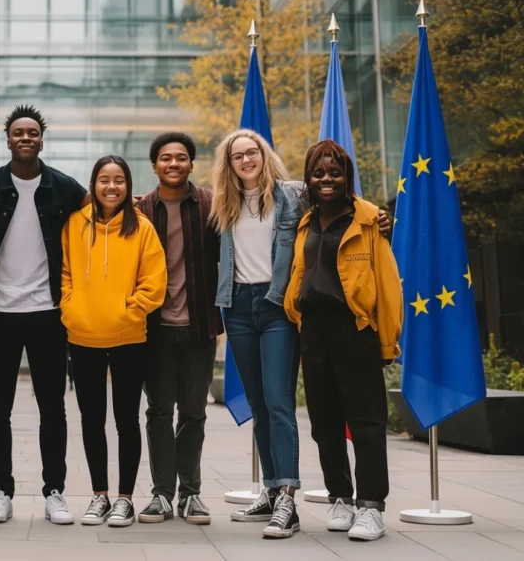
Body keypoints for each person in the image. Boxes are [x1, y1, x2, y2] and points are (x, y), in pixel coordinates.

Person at [213, 129, 391, 539]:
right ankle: (274, 489)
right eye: (237, 155)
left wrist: (380, 216)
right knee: (260, 404)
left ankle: (290, 499)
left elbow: (343, 199)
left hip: (279, 304)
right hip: (237, 307)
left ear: (264, 154)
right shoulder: (220, 202)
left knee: (278, 401)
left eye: (251, 152)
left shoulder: (295, 194)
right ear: (229, 163)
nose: (245, 160)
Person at [0, 105, 90, 525]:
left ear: (41, 138)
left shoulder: (66, 189)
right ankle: (2, 489)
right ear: (8, 138)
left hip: (49, 313)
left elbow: (98, 224)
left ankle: (55, 491)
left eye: (33, 132)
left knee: (53, 407)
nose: (26, 137)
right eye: (18, 132)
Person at [283, 140, 401, 542]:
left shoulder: (369, 221)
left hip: (356, 330)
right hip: (314, 331)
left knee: (366, 422)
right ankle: (341, 498)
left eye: (334, 172)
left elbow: (386, 285)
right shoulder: (305, 222)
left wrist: (386, 340)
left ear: (347, 177)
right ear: (309, 180)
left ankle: (371, 507)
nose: (326, 179)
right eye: (318, 173)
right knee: (325, 423)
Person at [61, 155, 167, 527]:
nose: (111, 186)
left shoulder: (142, 228)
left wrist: (130, 311)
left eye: (119, 180)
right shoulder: (74, 225)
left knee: (126, 420)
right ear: (93, 185)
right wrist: (71, 309)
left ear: (128, 186)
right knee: (91, 419)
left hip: (128, 337)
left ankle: (124, 498)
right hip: (83, 335)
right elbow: (65, 273)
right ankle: (99, 495)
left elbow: (155, 282)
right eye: (104, 180)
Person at [135, 133, 222, 525]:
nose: (174, 164)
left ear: (192, 164)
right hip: (153, 331)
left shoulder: (210, 205)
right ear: (154, 165)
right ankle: (160, 495)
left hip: (198, 327)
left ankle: (191, 493)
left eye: (181, 158)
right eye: (166, 158)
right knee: (157, 412)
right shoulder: (138, 211)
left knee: (193, 413)